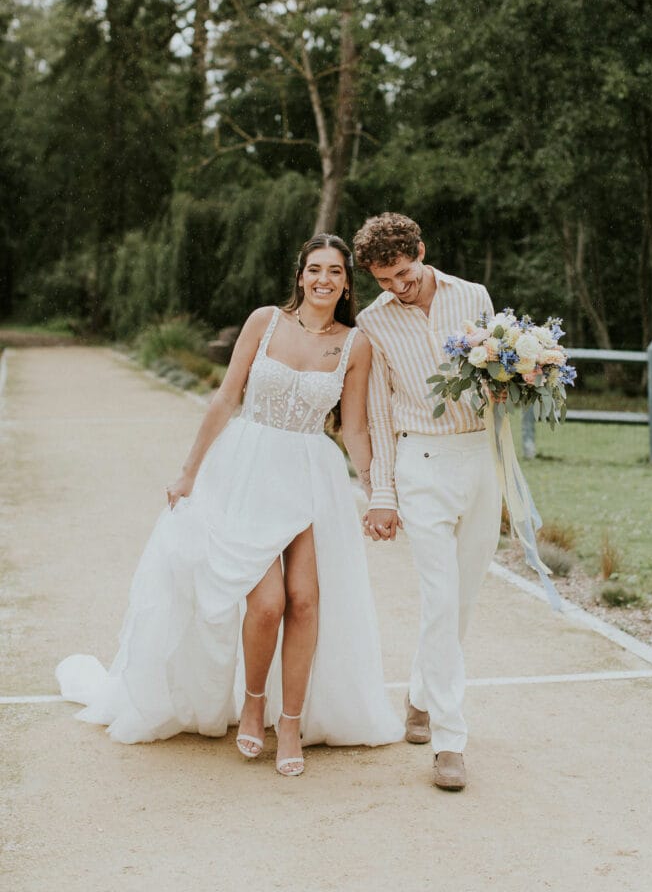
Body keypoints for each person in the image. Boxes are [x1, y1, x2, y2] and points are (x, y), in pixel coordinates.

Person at [57, 234, 402, 776]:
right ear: (300, 275)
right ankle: (253, 703)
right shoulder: (264, 321)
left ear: (346, 282)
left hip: (312, 476)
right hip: (247, 469)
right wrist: (189, 471)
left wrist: (381, 492)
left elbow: (354, 428)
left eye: (335, 272)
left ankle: (290, 722)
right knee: (266, 605)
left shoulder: (354, 345)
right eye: (315, 269)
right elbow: (226, 397)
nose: (324, 280)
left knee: (305, 601)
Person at [353, 213, 501, 791]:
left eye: (403, 274)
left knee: (461, 600)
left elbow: (496, 375)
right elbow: (381, 417)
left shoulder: (474, 295)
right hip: (420, 466)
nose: (396, 288)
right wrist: (382, 495)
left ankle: (419, 694)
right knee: (439, 598)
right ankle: (449, 739)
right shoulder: (373, 322)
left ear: (421, 251)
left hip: (479, 460)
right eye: (384, 280)